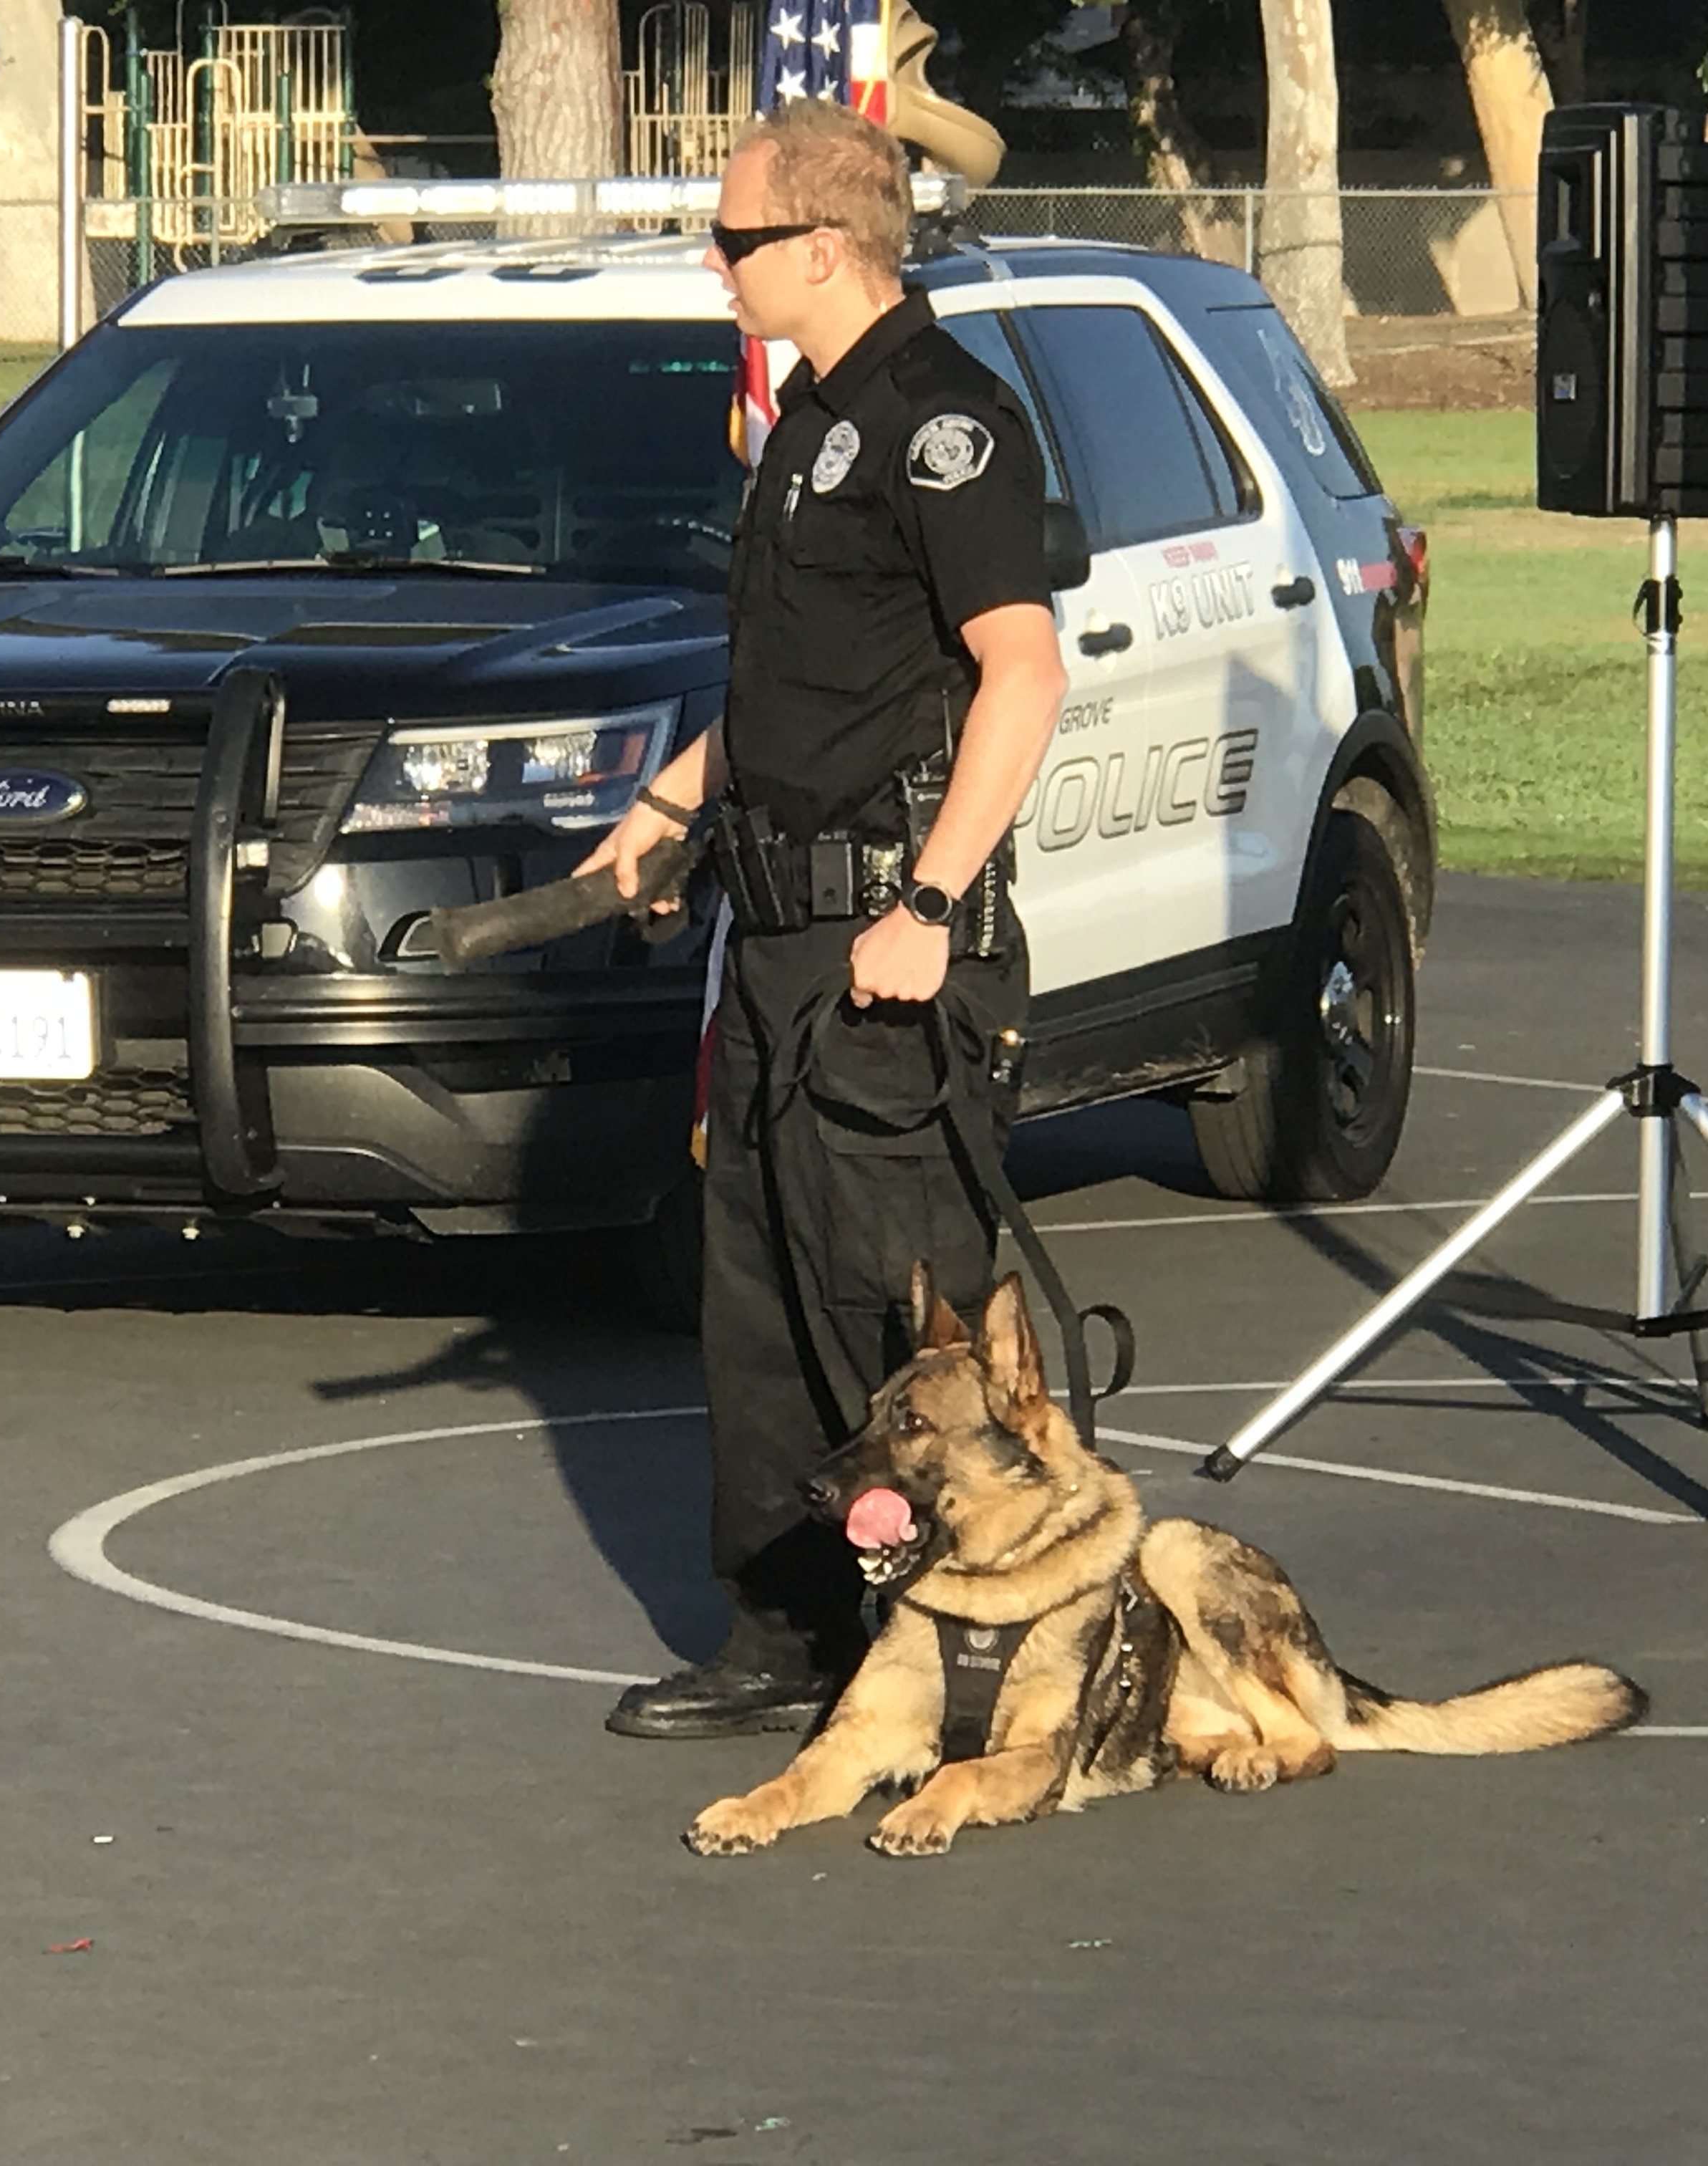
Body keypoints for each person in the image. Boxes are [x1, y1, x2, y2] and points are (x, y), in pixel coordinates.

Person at [577, 100, 1065, 1739]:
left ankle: (949, 1648)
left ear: (826, 247)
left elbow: (1023, 668)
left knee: (901, 1318)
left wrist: (929, 902)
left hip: (887, 944)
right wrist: (663, 814)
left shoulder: (949, 424)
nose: (713, 267)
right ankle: (788, 1633)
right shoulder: (805, 432)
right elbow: (795, 693)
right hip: (777, 937)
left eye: (733, 241)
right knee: (764, 1298)